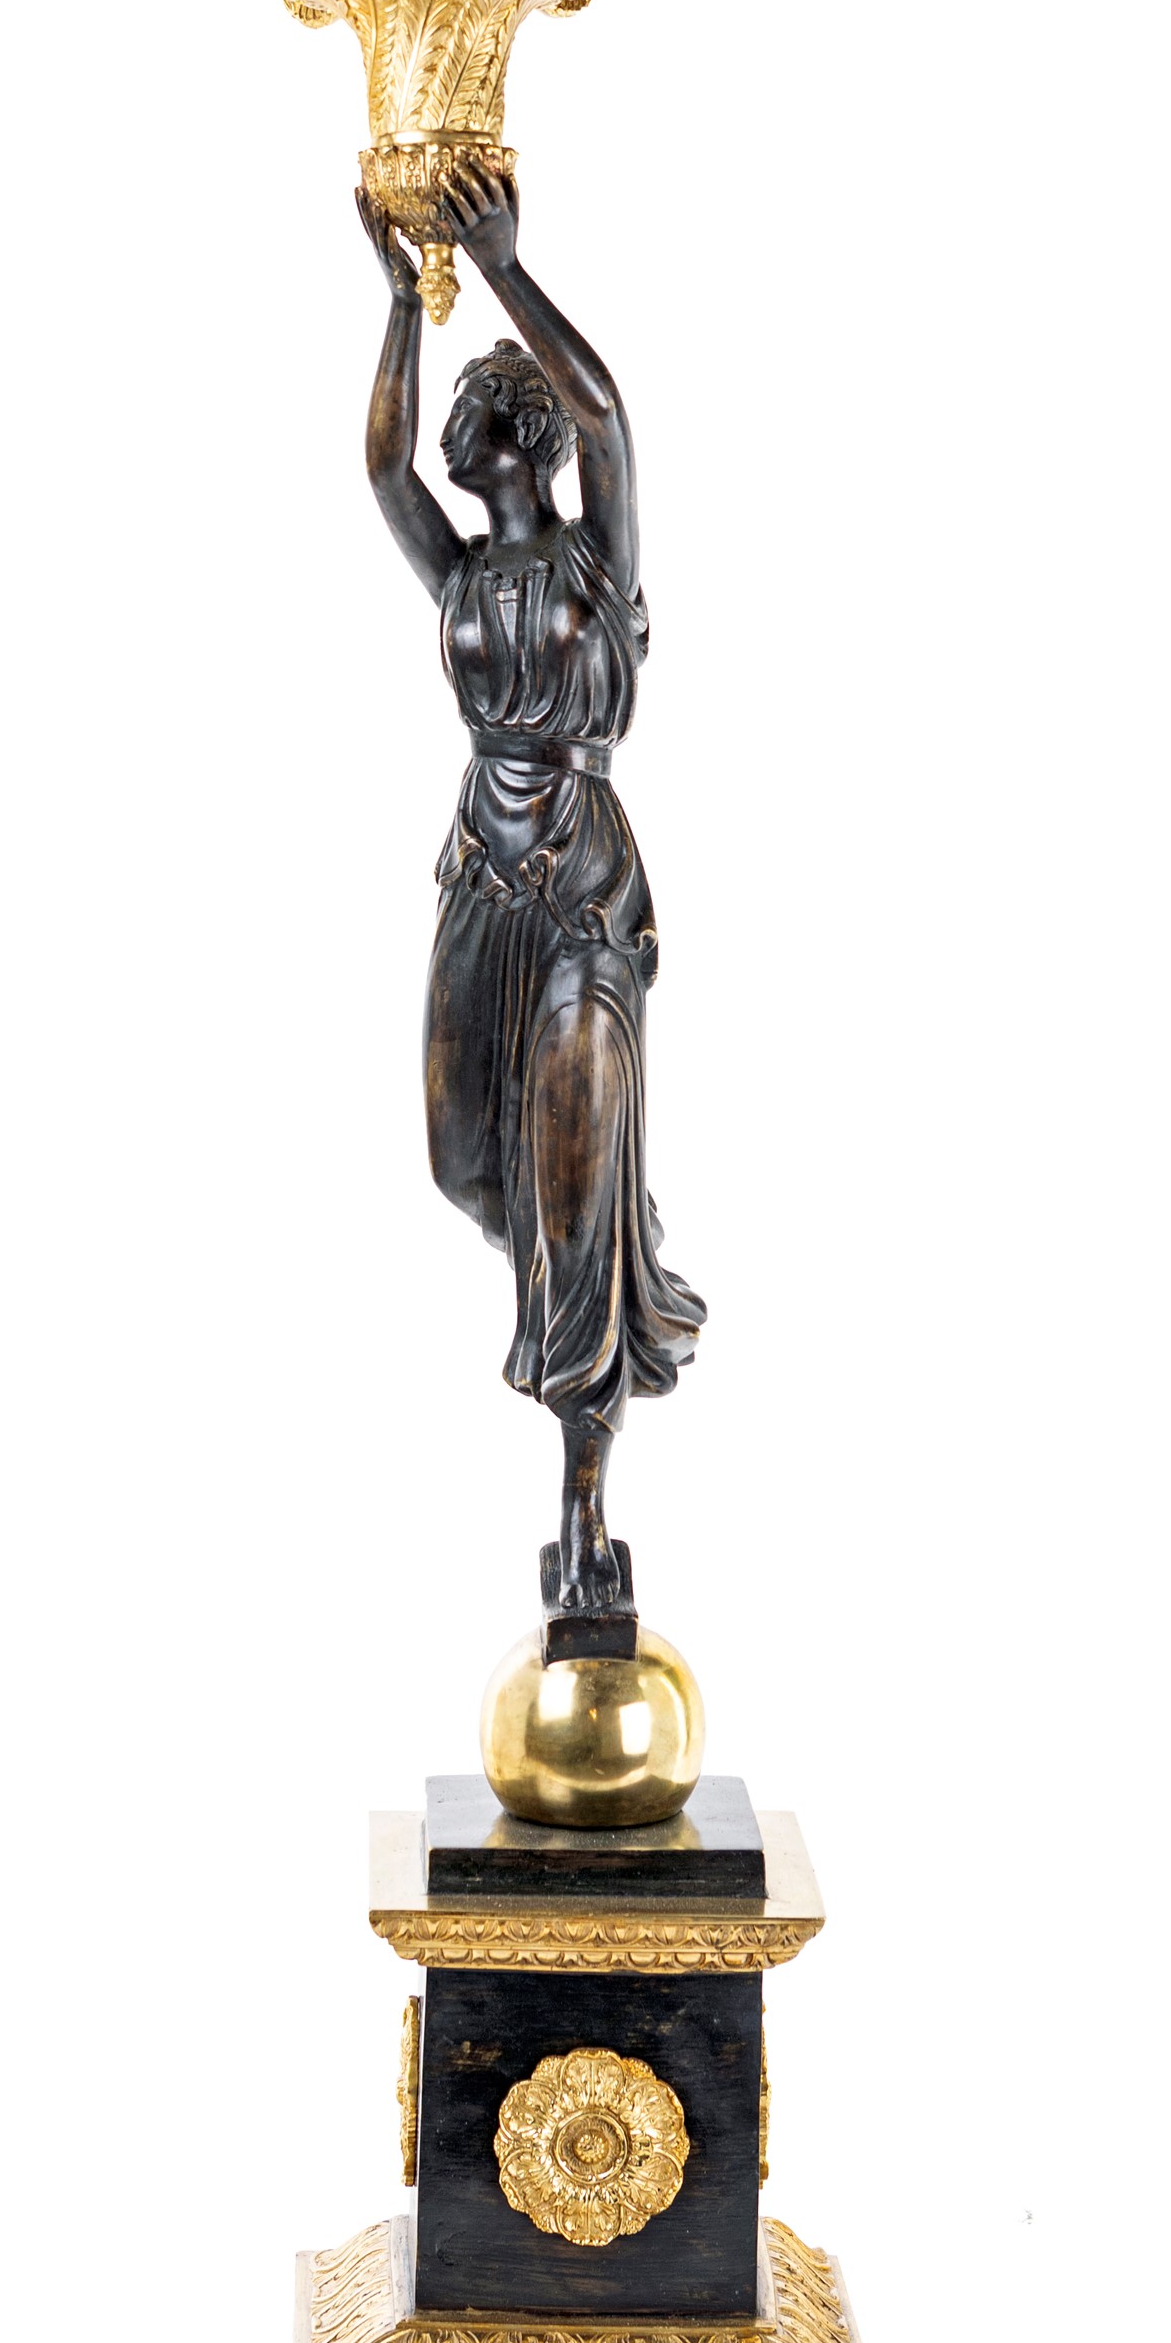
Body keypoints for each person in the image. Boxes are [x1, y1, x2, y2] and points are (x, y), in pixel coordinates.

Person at [358, 160, 705, 1614]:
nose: (450, 428)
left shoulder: (591, 562)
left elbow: (611, 417)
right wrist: (400, 303)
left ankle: (584, 1495)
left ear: (519, 433)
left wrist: (502, 267)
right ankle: (584, 1260)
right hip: (481, 871)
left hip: (578, 883)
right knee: (465, 1162)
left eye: (472, 406)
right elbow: (380, 473)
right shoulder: (458, 574)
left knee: (565, 1186)